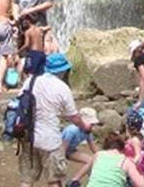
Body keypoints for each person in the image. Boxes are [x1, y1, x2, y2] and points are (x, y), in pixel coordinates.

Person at [17, 53, 90, 187]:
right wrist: (84, 126)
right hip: (51, 140)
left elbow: (19, 102)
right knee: (54, 180)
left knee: (27, 179)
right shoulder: (62, 88)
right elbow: (73, 117)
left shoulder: (31, 81)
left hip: (30, 137)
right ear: (63, 71)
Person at [73, 133, 144, 187]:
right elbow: (141, 184)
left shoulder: (98, 155)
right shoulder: (125, 161)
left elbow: (87, 167)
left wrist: (76, 179)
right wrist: (139, 170)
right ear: (122, 148)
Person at [61, 107, 99, 178]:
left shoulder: (88, 132)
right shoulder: (72, 130)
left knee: (91, 160)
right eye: (91, 124)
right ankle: (75, 180)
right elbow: (64, 146)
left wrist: (102, 156)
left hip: (71, 151)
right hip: (60, 151)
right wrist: (62, 160)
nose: (93, 127)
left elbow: (93, 147)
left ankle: (89, 179)